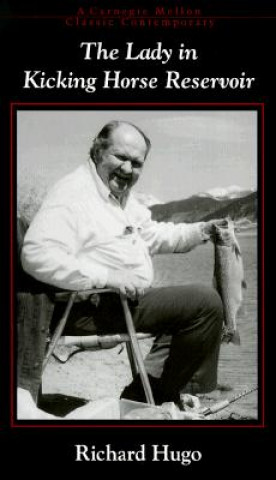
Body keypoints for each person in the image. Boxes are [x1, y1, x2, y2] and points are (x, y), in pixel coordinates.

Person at [21, 120, 225, 413]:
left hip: (120, 302)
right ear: (98, 149)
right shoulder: (73, 194)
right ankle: (157, 398)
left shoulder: (116, 195)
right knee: (204, 304)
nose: (128, 169)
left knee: (190, 310)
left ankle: (144, 396)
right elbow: (36, 253)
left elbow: (151, 234)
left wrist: (202, 230)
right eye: (121, 158)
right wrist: (107, 276)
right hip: (89, 306)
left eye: (137, 163)